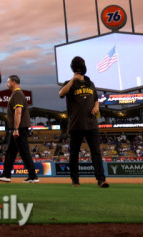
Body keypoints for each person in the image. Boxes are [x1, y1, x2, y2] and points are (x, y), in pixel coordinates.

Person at [59, 56, 109, 188]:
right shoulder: (69, 83)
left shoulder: (89, 83)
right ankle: (75, 180)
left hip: (91, 124)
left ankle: (101, 180)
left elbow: (96, 98)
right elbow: (61, 93)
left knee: (96, 152)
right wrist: (72, 80)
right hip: (76, 124)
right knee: (74, 153)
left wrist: (97, 106)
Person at [0, 75, 39, 183]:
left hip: (20, 128)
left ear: (13, 82)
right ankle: (6, 175)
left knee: (24, 152)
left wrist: (16, 128)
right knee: (11, 152)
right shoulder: (16, 93)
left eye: (8, 81)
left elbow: (18, 112)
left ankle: (33, 176)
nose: (7, 83)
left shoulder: (17, 93)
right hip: (19, 128)